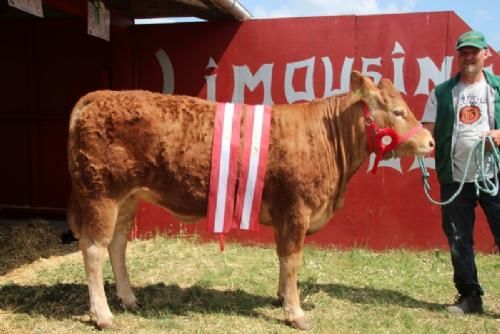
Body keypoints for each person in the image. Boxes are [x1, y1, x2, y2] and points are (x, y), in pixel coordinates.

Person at [421, 30, 500, 315]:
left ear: (485, 54)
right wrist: (421, 144)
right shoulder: (441, 93)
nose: (468, 56)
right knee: (458, 239)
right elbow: (427, 131)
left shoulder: (498, 88)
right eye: (463, 52)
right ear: (458, 56)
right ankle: (470, 298)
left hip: (494, 175)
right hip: (454, 178)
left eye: (474, 51)